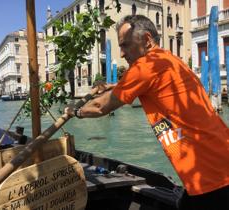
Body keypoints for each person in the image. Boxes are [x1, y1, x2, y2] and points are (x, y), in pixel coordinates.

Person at [65, 15, 229, 209]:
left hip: (209, 176)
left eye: (125, 45)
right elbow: (146, 85)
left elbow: (101, 107)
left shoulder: (146, 66)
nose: (122, 53)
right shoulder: (167, 59)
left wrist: (75, 112)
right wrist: (113, 86)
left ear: (147, 40)